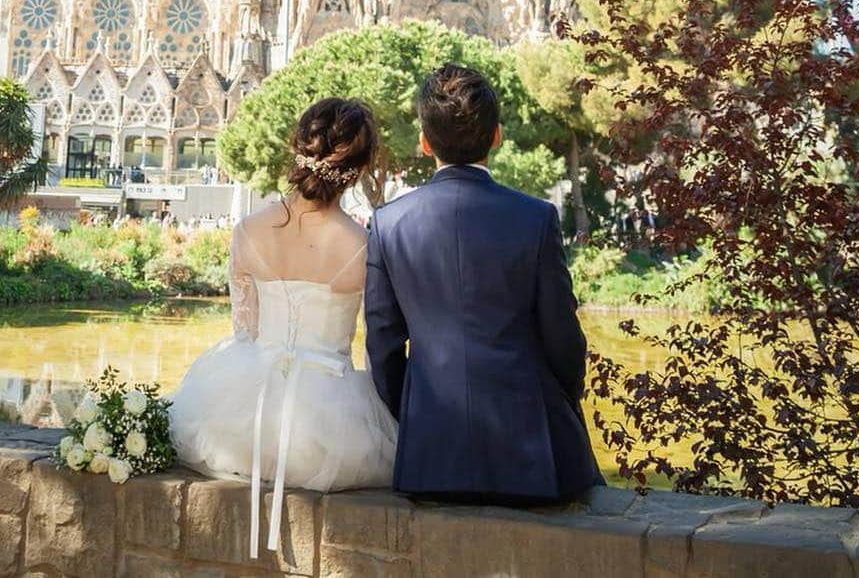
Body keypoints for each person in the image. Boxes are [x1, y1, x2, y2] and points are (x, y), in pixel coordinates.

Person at [365, 62, 601, 506]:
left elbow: (383, 346)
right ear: (496, 136)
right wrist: (564, 402)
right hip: (531, 448)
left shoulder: (387, 224)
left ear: (423, 141)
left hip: (430, 451)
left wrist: (415, 418)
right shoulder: (536, 218)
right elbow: (564, 337)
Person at [170, 98, 396, 558]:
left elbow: (245, 329)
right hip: (331, 425)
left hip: (244, 413)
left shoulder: (248, 229)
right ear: (355, 170)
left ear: (298, 148)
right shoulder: (363, 244)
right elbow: (376, 344)